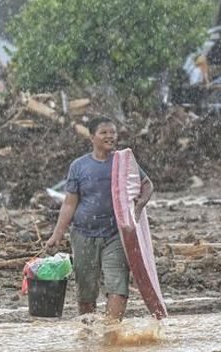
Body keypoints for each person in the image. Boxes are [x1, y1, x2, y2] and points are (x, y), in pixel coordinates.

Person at [44, 116, 152, 321]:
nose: (110, 136)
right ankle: (88, 331)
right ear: (92, 137)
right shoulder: (79, 166)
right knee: (86, 291)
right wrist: (57, 234)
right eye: (104, 132)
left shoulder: (123, 162)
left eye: (112, 132)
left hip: (116, 235)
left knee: (118, 286)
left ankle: (111, 334)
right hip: (83, 235)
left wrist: (140, 204)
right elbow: (69, 203)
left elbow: (147, 184)